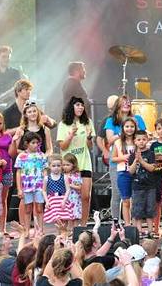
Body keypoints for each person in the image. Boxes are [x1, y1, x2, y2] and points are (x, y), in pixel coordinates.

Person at [105, 95, 147, 219]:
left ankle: (134, 222)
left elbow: (142, 136)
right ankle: (115, 221)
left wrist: (135, 127)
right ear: (118, 105)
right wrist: (124, 131)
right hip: (118, 162)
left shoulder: (137, 118)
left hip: (135, 161)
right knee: (117, 194)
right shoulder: (111, 120)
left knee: (135, 194)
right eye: (124, 102)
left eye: (128, 102)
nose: (127, 104)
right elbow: (109, 140)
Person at [56, 96, 95, 226]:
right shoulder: (63, 124)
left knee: (85, 196)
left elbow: (90, 147)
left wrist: (89, 138)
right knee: (68, 197)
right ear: (71, 107)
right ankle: (67, 226)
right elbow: (63, 146)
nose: (80, 107)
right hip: (69, 166)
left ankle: (83, 225)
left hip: (84, 163)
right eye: (77, 105)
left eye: (82, 105)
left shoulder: (88, 122)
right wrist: (71, 134)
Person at [15, 131, 46, 237]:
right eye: (33, 142)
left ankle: (40, 229)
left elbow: (45, 171)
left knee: (39, 208)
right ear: (26, 143)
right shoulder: (21, 156)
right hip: (26, 187)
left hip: (39, 187)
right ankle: (27, 230)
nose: (35, 145)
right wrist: (19, 188)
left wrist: (45, 187)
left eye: (37, 143)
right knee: (27, 209)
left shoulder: (41, 156)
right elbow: (18, 172)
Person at [111, 117, 139, 226]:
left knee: (135, 201)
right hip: (123, 172)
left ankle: (136, 224)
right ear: (123, 128)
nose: (129, 129)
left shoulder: (138, 141)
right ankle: (127, 225)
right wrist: (124, 157)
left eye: (132, 126)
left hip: (137, 172)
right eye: (127, 126)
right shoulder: (118, 142)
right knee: (126, 200)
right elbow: (113, 158)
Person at [128, 130, 156, 236]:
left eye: (144, 139)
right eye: (139, 140)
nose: (141, 142)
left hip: (150, 186)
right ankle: (138, 231)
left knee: (150, 209)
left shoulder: (150, 154)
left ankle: (150, 231)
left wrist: (142, 161)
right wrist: (136, 160)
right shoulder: (132, 155)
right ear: (135, 141)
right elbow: (131, 171)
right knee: (138, 210)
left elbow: (152, 168)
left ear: (147, 140)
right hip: (137, 187)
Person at [150, 118, 162, 236]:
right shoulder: (153, 145)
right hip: (156, 175)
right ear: (156, 130)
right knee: (156, 203)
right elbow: (151, 159)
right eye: (159, 129)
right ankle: (155, 228)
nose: (161, 131)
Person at [42, 154, 72, 230]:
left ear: (61, 166)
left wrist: (64, 201)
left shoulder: (64, 177)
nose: (56, 168)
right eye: (54, 166)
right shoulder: (47, 178)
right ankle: (59, 236)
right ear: (49, 166)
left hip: (62, 200)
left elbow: (68, 189)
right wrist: (47, 201)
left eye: (58, 165)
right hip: (52, 201)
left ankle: (65, 234)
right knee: (57, 220)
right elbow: (44, 190)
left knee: (64, 219)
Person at [62, 153, 82, 229]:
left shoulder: (76, 175)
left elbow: (79, 187)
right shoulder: (62, 175)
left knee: (74, 217)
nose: (65, 167)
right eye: (64, 165)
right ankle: (65, 232)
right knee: (65, 217)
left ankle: (74, 232)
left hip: (74, 198)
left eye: (68, 165)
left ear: (73, 165)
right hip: (65, 198)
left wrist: (69, 185)